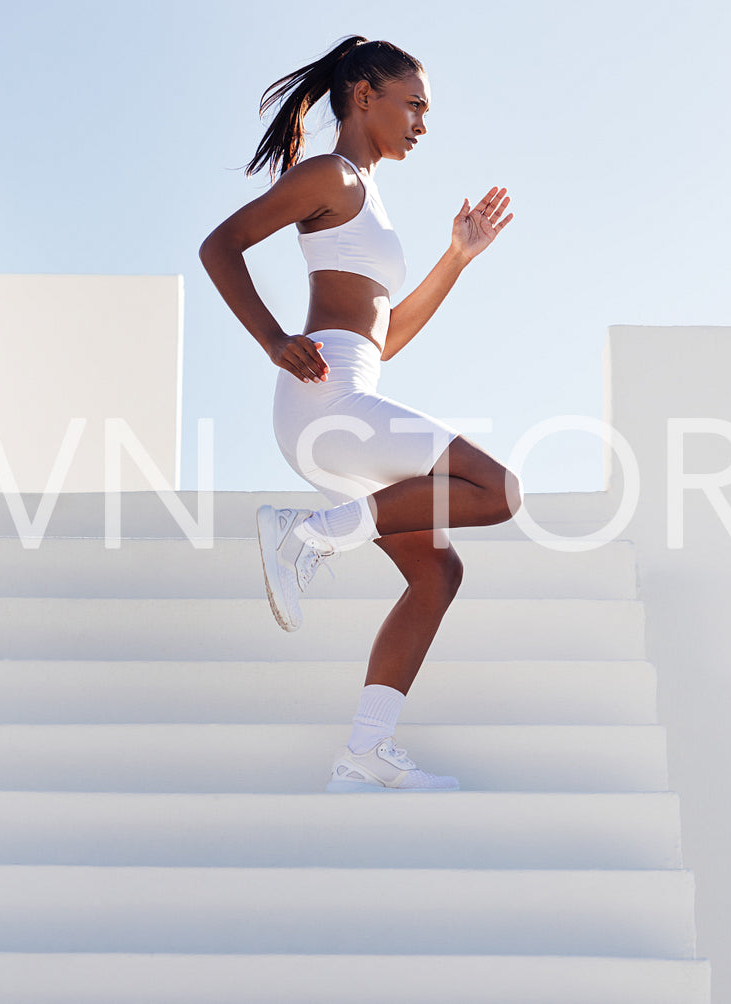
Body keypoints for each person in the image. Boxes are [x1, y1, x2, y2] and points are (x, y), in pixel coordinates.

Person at [198, 35, 522, 792]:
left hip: (345, 402)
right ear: (363, 95)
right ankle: (304, 534)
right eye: (413, 104)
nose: (421, 123)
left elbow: (387, 336)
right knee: (497, 490)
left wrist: (456, 257)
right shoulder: (330, 176)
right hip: (327, 402)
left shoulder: (366, 195)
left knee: (437, 573)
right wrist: (274, 338)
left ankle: (365, 751)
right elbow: (221, 245)